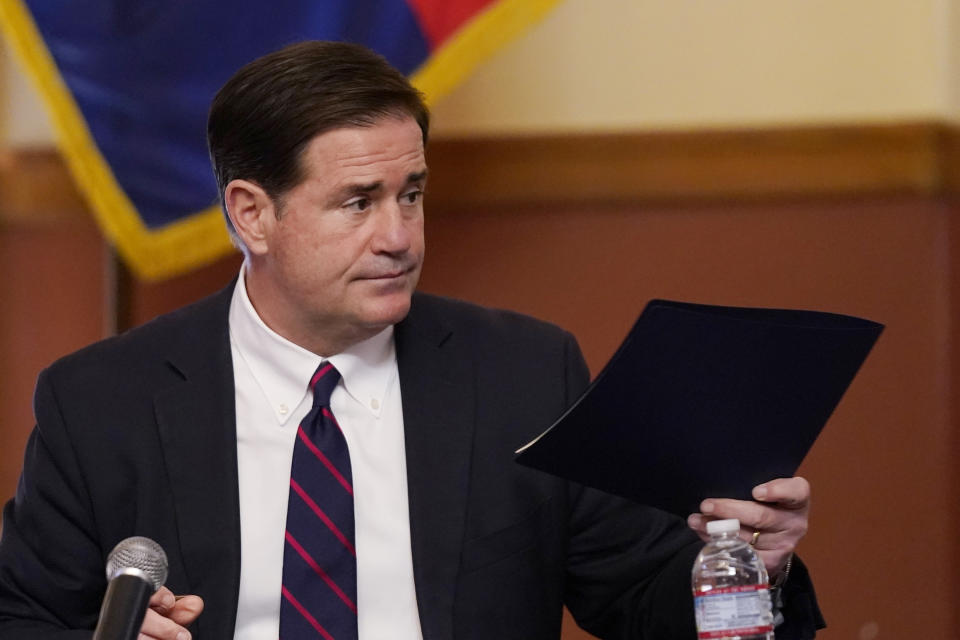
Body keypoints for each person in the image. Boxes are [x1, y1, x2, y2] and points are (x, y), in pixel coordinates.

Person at [0, 41, 823, 639]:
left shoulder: (524, 373)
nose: (401, 236)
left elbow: (643, 601)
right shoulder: (103, 400)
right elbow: (24, 617)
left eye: (413, 194)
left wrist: (749, 568)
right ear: (252, 213)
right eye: (359, 202)